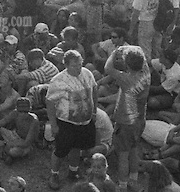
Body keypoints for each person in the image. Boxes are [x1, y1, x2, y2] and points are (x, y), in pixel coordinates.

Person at [46, 50, 98, 189]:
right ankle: (54, 174)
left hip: (85, 122)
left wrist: (94, 111)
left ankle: (73, 171)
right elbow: (50, 102)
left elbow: (94, 89)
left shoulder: (87, 73)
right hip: (66, 122)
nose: (78, 68)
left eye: (80, 64)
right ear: (66, 65)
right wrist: (53, 124)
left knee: (77, 147)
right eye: (75, 65)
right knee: (60, 150)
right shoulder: (58, 81)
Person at [105, 45, 151, 192]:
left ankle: (123, 186)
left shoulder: (126, 79)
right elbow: (141, 54)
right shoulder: (146, 75)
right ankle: (134, 180)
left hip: (125, 123)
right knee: (133, 150)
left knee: (123, 155)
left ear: (127, 64)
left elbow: (108, 68)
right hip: (140, 120)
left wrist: (114, 52)